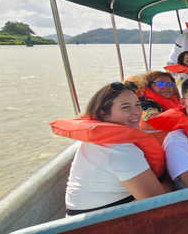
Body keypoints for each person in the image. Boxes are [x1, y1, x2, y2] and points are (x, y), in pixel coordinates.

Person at [50, 81, 168, 215]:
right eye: (126, 107)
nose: (136, 112)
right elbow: (160, 205)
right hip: (102, 225)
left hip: (88, 221)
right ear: (104, 114)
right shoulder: (121, 150)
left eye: (138, 105)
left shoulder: (100, 141)